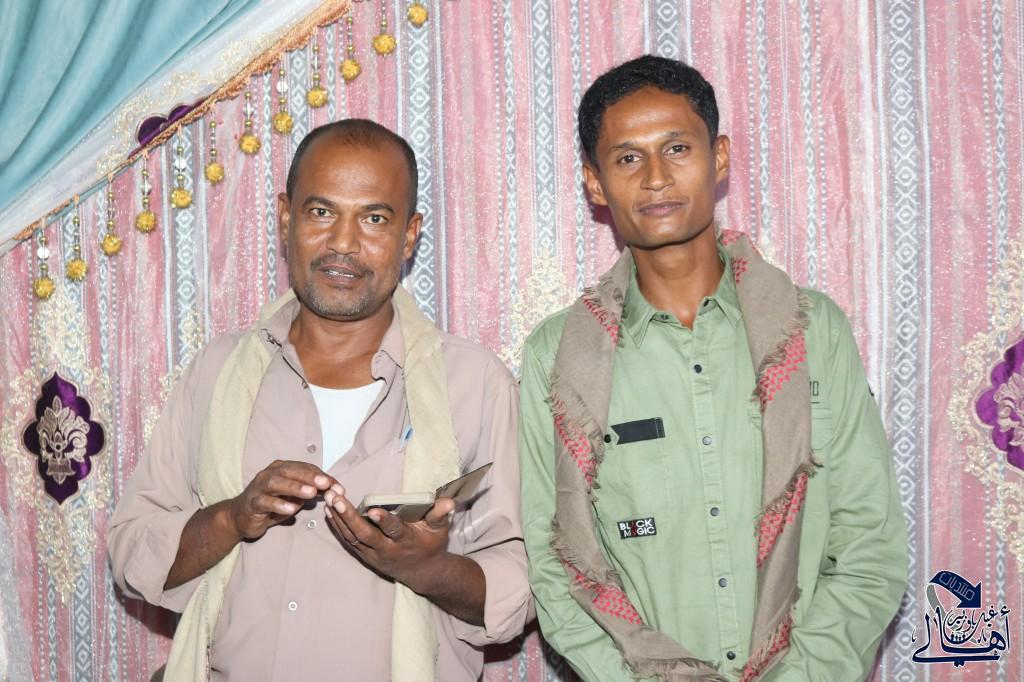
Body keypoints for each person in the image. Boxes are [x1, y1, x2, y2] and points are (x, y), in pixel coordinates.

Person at [519, 55, 907, 681]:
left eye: (677, 148)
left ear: (718, 158)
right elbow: (555, 564)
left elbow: (868, 544)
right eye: (628, 158)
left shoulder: (812, 331)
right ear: (595, 184)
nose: (656, 178)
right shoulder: (557, 357)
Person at [109, 119, 531, 681]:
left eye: (374, 219)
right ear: (286, 219)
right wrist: (233, 518)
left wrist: (425, 568)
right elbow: (134, 550)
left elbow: (521, 585)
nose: (343, 243)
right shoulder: (216, 372)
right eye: (321, 212)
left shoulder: (474, 384)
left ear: (409, 236)